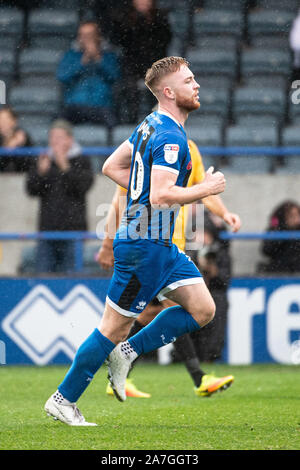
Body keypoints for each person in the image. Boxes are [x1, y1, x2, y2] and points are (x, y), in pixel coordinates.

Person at [44, 56, 228, 426]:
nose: (196, 85)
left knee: (203, 309)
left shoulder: (148, 125)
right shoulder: (171, 136)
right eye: (189, 80)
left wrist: (143, 192)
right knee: (112, 328)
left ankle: (127, 353)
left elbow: (111, 166)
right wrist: (203, 188)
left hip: (161, 246)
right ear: (168, 92)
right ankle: (63, 400)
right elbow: (160, 197)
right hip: (143, 244)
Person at [98, 139, 240, 398]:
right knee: (175, 310)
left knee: (148, 315)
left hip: (173, 247)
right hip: (150, 246)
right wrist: (108, 244)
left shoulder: (189, 148)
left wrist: (223, 213)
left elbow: (201, 189)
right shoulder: (147, 146)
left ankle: (120, 371)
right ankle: (199, 378)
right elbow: (119, 198)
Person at [26, 119, 94, 274]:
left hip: (73, 232)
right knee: (43, 277)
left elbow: (83, 187)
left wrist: (65, 167)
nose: (55, 142)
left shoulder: (82, 160)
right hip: (47, 231)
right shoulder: (43, 160)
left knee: (71, 278)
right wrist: (40, 173)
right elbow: (31, 190)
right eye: (52, 138)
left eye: (59, 137)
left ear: (70, 139)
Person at [109, 0, 172, 122]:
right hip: (131, 64)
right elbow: (119, 40)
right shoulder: (124, 18)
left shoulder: (160, 18)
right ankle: (131, 120)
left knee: (156, 87)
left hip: (154, 63)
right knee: (129, 87)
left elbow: (165, 41)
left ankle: (155, 121)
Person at [56, 20, 120, 129]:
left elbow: (114, 76)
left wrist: (98, 59)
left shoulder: (109, 56)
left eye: (90, 35)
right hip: (74, 106)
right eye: (82, 35)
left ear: (98, 37)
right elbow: (62, 76)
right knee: (58, 126)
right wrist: (82, 62)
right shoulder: (70, 55)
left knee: (113, 126)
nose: (86, 39)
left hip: (101, 106)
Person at [188, 210, 232, 363]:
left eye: (205, 234)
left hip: (214, 295)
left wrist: (214, 272)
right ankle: (189, 356)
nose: (202, 239)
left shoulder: (219, 253)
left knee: (218, 308)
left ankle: (210, 356)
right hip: (193, 299)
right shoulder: (187, 253)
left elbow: (225, 281)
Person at [260, 200, 300, 273]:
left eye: (297, 215)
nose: (296, 219)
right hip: (279, 271)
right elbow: (266, 250)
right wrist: (285, 231)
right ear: (284, 217)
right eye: (291, 216)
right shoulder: (276, 230)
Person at [0, 106, 32, 173]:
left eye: (5, 120)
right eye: (0, 119)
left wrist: (17, 145)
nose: (1, 123)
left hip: (21, 178)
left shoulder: (24, 138)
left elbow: (28, 165)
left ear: (14, 121)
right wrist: (9, 148)